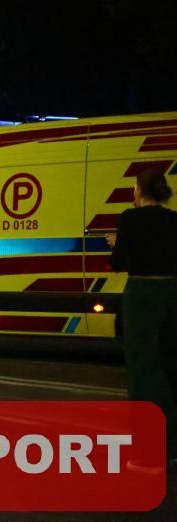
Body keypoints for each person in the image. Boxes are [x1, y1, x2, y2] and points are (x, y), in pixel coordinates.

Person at [108, 168, 177, 470]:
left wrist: (116, 243)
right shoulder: (173, 219)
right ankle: (172, 447)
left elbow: (119, 262)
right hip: (172, 292)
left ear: (139, 190)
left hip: (142, 292)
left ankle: (150, 453)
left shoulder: (130, 218)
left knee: (143, 369)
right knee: (170, 365)